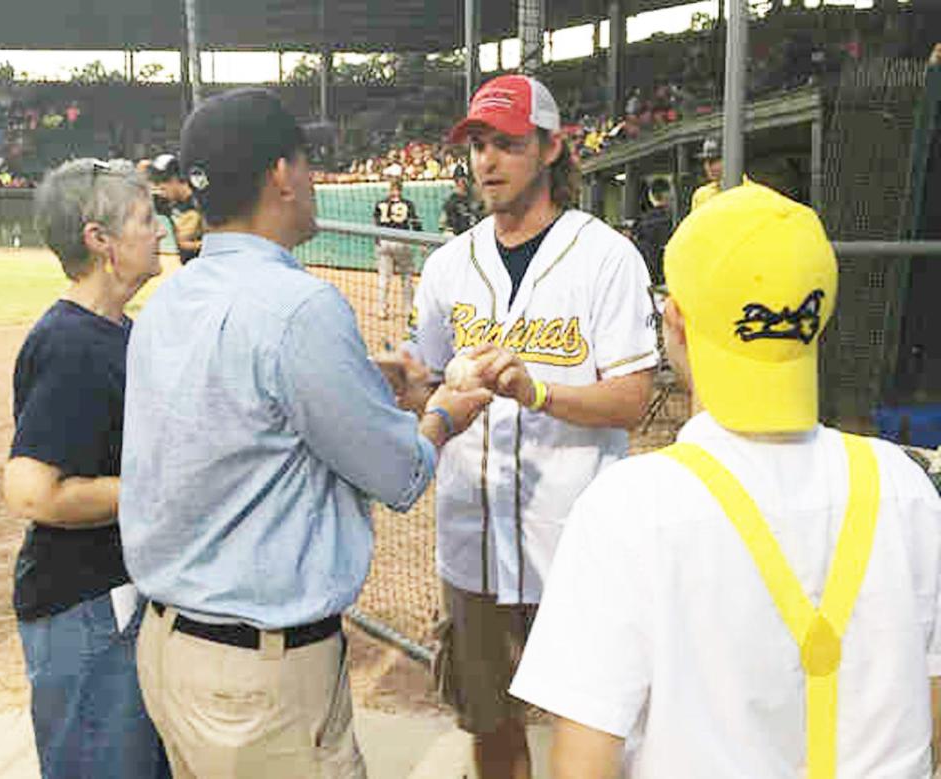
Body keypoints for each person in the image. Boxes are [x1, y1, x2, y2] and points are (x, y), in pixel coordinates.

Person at [118, 88, 491, 779]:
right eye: (306, 159)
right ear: (280, 176)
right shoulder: (300, 306)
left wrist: (365, 380)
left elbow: (246, 410)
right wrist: (447, 409)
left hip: (168, 650)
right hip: (260, 680)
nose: (314, 176)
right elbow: (400, 472)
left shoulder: (172, 295)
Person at [510, 183, 941, 778]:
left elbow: (583, 765)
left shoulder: (628, 508)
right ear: (819, 318)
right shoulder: (905, 486)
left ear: (675, 322)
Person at [399, 74, 658, 779]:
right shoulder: (450, 265)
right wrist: (404, 382)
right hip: (473, 540)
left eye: (508, 144)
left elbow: (633, 396)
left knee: (598, 736)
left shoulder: (606, 256)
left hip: (574, 544)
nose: (487, 160)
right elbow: (425, 381)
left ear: (551, 147)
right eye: (478, 144)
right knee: (491, 726)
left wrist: (537, 389)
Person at [1, 158, 169, 779]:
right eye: (145, 219)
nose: (160, 231)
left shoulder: (118, 331)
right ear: (99, 240)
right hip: (87, 610)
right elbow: (35, 493)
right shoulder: (71, 344)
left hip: (117, 601)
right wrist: (161, 490)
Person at [373, 178, 422, 319]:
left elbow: (376, 224)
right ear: (401, 188)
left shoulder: (380, 203)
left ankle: (382, 310)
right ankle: (408, 310)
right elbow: (416, 224)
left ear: (390, 188)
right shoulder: (408, 204)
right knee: (406, 277)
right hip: (401, 241)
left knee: (383, 278)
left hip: (384, 240)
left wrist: (377, 242)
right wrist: (422, 242)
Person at [149, 152, 203, 264]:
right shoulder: (170, 203)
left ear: (175, 178)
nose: (159, 187)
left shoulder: (201, 203)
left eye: (162, 180)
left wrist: (185, 244)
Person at [635, 177, 673, 283]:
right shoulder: (674, 221)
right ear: (669, 195)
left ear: (650, 196)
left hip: (650, 279)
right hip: (670, 279)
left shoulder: (641, 223)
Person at [439, 165, 482, 236]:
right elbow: (443, 225)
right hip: (460, 237)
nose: (466, 182)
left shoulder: (473, 199)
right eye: (462, 179)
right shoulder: (451, 201)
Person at [690, 135, 724, 211]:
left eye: (713, 161)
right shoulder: (701, 195)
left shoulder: (747, 190)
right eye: (705, 162)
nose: (708, 167)